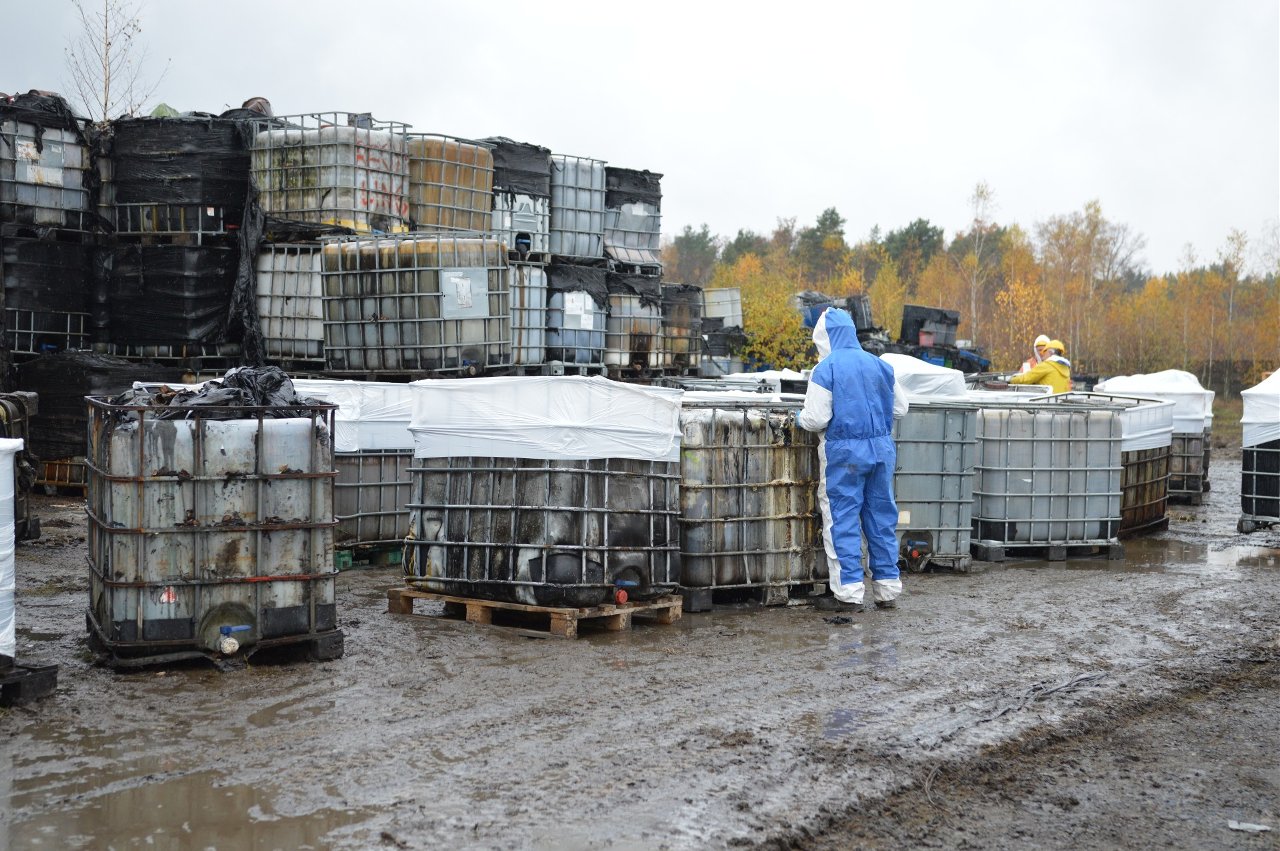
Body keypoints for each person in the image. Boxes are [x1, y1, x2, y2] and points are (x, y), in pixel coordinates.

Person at [798, 307, 909, 613]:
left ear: (824, 338)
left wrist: (799, 417)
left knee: (842, 518)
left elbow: (816, 418)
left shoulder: (825, 369)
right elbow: (901, 409)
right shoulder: (880, 365)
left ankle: (848, 593)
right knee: (881, 517)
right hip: (881, 451)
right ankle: (887, 588)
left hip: (844, 455)